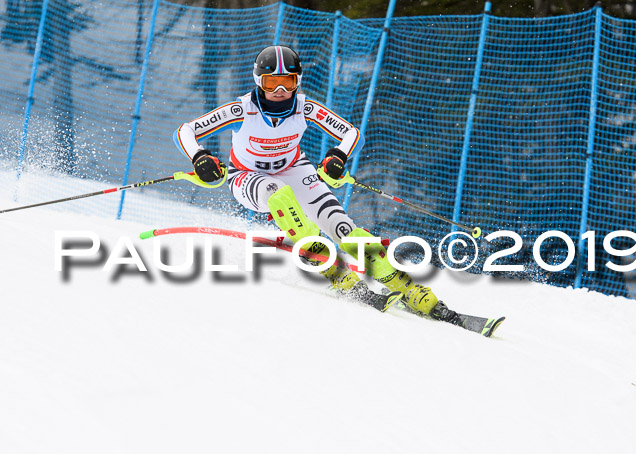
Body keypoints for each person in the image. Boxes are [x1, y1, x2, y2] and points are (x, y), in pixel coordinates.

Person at [173, 45, 456, 321]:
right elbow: (185, 131)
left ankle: (405, 287)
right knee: (277, 193)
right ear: (259, 81)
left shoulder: (304, 107)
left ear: (298, 81)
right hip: (247, 176)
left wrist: (338, 156)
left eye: (288, 82)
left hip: (294, 168)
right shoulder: (241, 110)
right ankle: (330, 268)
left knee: (343, 228)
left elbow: (351, 134)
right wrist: (199, 157)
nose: (280, 91)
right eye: (272, 83)